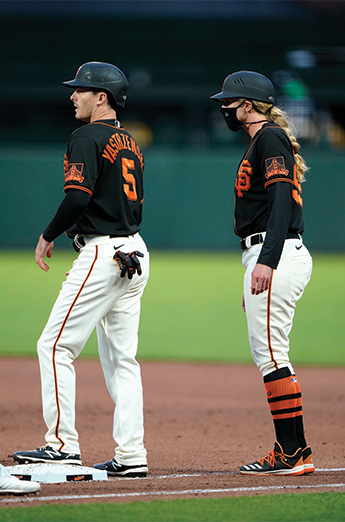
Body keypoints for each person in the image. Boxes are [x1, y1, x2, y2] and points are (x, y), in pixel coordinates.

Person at [13, 62, 149, 478]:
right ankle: (131, 455)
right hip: (135, 252)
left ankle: (61, 444)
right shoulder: (130, 142)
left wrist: (49, 233)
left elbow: (77, 197)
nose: (73, 96)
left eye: (81, 90)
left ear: (101, 97)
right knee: (124, 361)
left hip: (103, 255)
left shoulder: (85, 135)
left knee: (54, 347)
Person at [210, 71, 314, 476]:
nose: (225, 109)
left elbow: (281, 204)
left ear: (248, 106)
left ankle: (293, 452)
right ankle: (292, 450)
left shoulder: (268, 137)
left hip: (277, 252)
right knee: (269, 353)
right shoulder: (265, 139)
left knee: (271, 355)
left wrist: (266, 260)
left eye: (230, 103)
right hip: (273, 254)